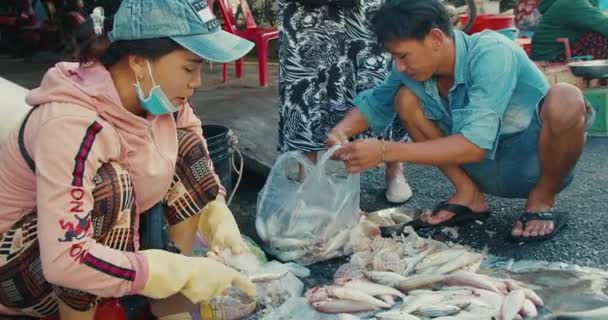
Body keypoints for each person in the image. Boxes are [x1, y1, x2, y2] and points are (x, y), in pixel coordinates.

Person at [0, 0, 257, 319]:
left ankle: (172, 304)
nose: (197, 82)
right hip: (22, 270)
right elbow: (65, 258)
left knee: (186, 144)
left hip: (94, 249)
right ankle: (90, 313)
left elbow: (193, 145)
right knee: (110, 185)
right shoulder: (71, 125)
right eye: (189, 67)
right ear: (138, 62)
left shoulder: (160, 99)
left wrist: (214, 209)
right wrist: (161, 270)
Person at [329, 0, 595, 242]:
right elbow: (376, 102)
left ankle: (541, 200)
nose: (398, 66)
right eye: (394, 57)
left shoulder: (492, 52)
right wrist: (340, 133)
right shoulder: (411, 69)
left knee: (567, 98)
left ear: (435, 38)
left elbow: (475, 145)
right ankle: (468, 195)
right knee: (404, 97)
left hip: (534, 165)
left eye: (403, 55)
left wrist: (385, 151)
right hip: (479, 168)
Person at [278, 0, 413, 203]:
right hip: (306, 8)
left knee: (375, 71)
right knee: (307, 78)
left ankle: (394, 165)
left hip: (366, 8)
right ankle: (306, 173)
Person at [531, 0, 608, 62]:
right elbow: (603, 25)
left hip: (557, 51)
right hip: (551, 57)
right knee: (602, 38)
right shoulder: (572, 3)